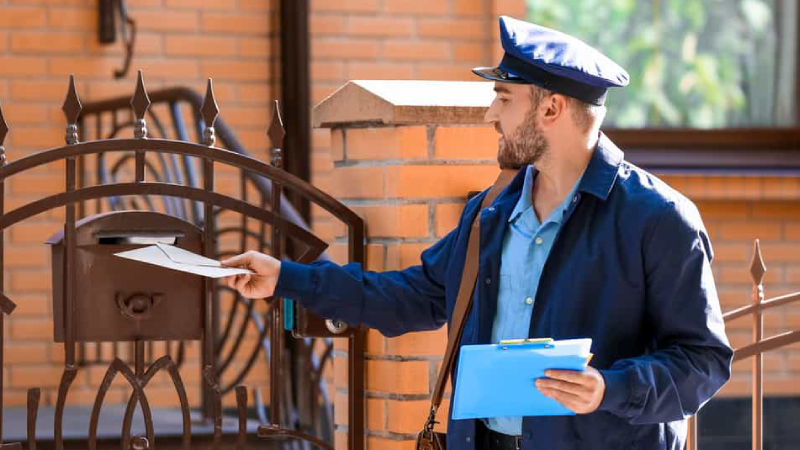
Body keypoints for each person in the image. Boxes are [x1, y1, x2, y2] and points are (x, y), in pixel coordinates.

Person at [222, 16, 733, 450]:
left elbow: (703, 360)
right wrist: (285, 278)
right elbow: (410, 297)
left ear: (550, 109)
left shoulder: (659, 219)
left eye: (504, 99)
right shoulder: (491, 211)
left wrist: (610, 388)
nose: (491, 114)